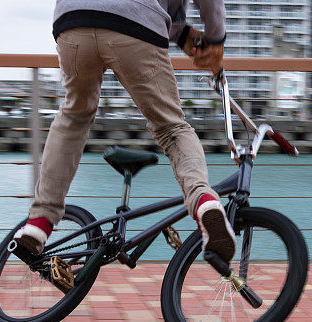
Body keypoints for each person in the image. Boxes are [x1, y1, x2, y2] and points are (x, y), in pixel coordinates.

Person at [14, 0, 235, 262]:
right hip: (135, 25)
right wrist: (215, 39)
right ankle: (203, 199)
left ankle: (39, 223)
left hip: (74, 19)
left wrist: (181, 33)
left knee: (73, 116)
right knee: (171, 126)